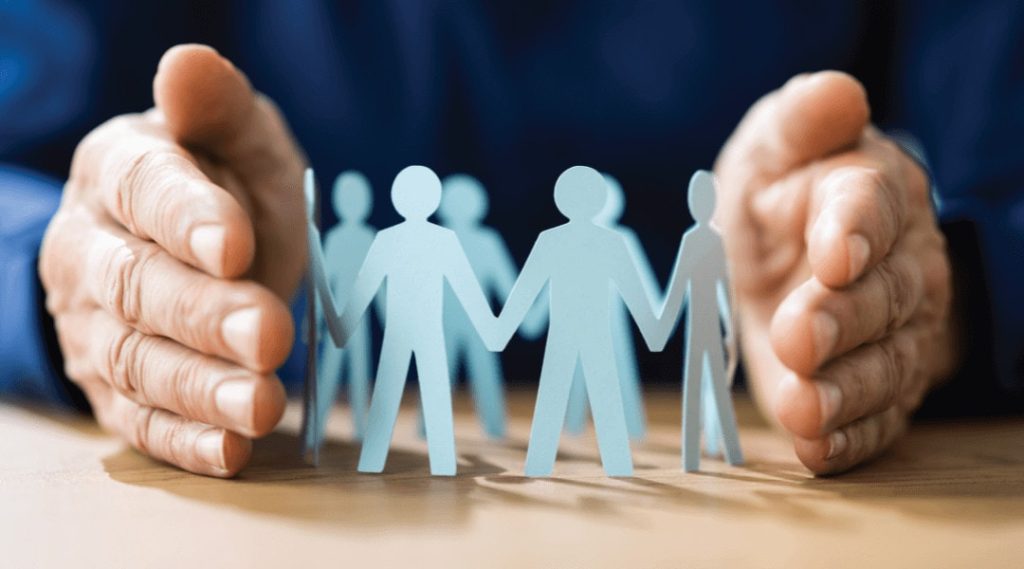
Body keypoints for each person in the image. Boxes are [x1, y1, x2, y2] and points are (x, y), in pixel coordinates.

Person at [3, 3, 1022, 478]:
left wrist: (944, 288)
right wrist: (95, 268)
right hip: (318, 378)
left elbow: (1001, 189)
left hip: (770, 386)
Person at [310, 165, 498, 476]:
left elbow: (360, 297)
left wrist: (338, 315)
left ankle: (377, 461)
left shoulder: (387, 239)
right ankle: (440, 463)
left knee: (395, 392)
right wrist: (493, 329)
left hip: (401, 333)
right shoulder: (441, 240)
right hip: (422, 333)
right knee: (429, 395)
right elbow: (470, 294)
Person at [490, 166, 661, 477]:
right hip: (586, 330)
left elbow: (526, 291)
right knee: (594, 390)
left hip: (568, 331)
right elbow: (634, 292)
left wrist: (502, 329)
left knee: (560, 392)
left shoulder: (554, 239)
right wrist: (653, 330)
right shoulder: (607, 241)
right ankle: (614, 463)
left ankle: (542, 462)